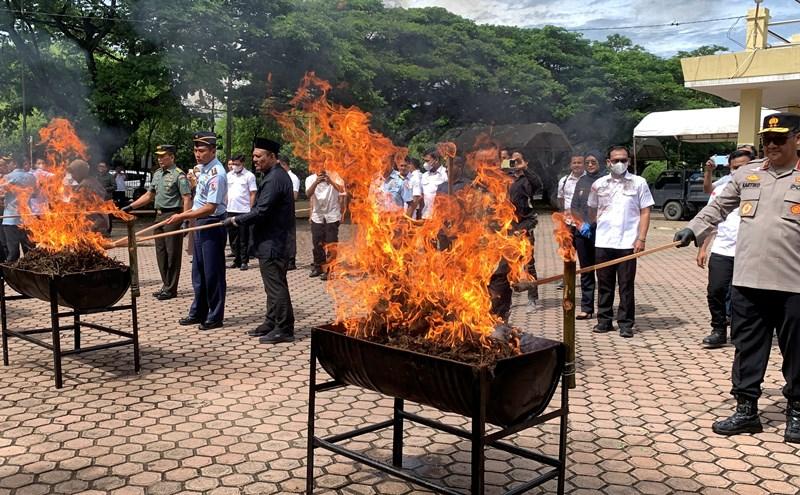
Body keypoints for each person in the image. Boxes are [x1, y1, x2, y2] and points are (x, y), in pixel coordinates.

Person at [674, 112, 800, 443]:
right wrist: (693, 229)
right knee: (746, 348)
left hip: (794, 285)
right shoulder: (746, 174)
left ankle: (797, 413)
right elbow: (718, 207)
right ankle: (746, 411)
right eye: (766, 140)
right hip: (747, 281)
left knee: (798, 351)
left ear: (797, 140)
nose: (771, 145)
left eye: (779, 139)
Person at [225, 138, 295, 344]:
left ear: (272, 157)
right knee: (271, 285)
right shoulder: (272, 175)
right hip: (270, 241)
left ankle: (284, 328)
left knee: (276, 285)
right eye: (254, 156)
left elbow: (261, 210)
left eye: (258, 156)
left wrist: (236, 220)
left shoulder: (275, 179)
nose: (254, 160)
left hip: (275, 242)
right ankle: (271, 321)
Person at [587, 146, 654, 338]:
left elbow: (645, 211)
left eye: (623, 160)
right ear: (608, 162)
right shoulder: (599, 184)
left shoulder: (639, 183)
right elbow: (592, 209)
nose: (619, 164)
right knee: (604, 284)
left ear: (629, 162)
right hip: (604, 241)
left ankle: (626, 323)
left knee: (626, 285)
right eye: (615, 160)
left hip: (627, 243)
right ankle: (604, 321)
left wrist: (641, 238)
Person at [167, 132, 228, 331]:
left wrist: (182, 216)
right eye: (195, 150)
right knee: (199, 272)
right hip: (200, 223)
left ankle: (215, 315)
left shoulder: (217, 173)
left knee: (213, 273)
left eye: (201, 150)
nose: (197, 154)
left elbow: (211, 206)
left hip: (211, 223)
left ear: (213, 150)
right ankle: (198, 311)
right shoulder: (203, 169)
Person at [695, 149, 752, 348]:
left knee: (742, 295)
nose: (740, 171)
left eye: (744, 167)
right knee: (716, 290)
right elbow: (712, 219)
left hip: (749, 252)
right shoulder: (721, 190)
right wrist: (703, 248)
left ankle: (740, 332)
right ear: (730, 168)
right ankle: (718, 329)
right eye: (736, 168)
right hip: (722, 249)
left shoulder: (759, 189)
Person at [123, 145, 192, 300]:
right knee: (161, 254)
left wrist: (185, 220)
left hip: (173, 216)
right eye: (159, 156)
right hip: (158, 216)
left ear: (172, 157)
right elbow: (149, 195)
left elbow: (187, 198)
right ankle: (165, 285)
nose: (160, 159)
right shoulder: (157, 174)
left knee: (172, 254)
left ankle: (171, 288)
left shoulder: (178, 175)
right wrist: (131, 206)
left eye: (164, 156)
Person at [569, 150, 605, 319]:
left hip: (602, 233)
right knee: (586, 271)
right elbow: (574, 206)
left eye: (593, 162)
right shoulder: (582, 181)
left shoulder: (606, 180)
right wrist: (579, 223)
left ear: (601, 163)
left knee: (604, 272)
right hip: (582, 233)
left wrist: (593, 224)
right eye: (588, 162)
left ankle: (604, 309)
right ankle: (587, 307)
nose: (590, 165)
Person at [507, 151, 543, 311]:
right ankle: (506, 299)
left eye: (517, 161)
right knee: (506, 265)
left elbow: (537, 185)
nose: (514, 163)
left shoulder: (526, 180)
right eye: (512, 161)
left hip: (523, 226)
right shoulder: (502, 179)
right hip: (505, 228)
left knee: (528, 263)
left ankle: (532, 298)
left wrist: (525, 168)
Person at [305, 168, 345, 280]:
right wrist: (316, 182)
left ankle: (330, 270)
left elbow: (342, 190)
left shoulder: (335, 175)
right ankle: (318, 267)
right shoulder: (310, 179)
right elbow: (308, 194)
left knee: (331, 243)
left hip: (332, 215)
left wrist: (331, 181)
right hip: (317, 215)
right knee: (317, 243)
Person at [0, 157, 36, 261]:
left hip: (11, 220)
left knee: (13, 253)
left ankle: (13, 275)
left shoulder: (8, 177)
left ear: (14, 163)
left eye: (9, 163)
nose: (7, 166)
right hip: (27, 219)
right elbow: (35, 194)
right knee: (30, 252)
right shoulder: (32, 177)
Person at [225, 154, 257, 271]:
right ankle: (236, 259)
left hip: (243, 210)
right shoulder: (228, 176)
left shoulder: (249, 176)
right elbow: (226, 192)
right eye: (233, 164)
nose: (235, 166)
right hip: (230, 209)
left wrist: (251, 208)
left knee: (243, 237)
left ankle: (244, 261)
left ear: (242, 163)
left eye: (237, 164)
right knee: (233, 237)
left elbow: (253, 193)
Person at [67, 159, 110, 233]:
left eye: (73, 173)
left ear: (80, 172)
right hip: (100, 222)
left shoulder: (84, 185)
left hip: (93, 225)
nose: (72, 176)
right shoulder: (92, 181)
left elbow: (74, 204)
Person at [280, 159, 300, 270]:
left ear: (284, 164)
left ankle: (291, 261)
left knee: (290, 237)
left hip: (288, 211)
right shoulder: (280, 177)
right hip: (280, 213)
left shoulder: (293, 178)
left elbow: (295, 196)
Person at [420, 149, 448, 219]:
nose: (425, 164)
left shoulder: (445, 174)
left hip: (440, 217)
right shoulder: (424, 176)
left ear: (436, 160)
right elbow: (422, 197)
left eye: (427, 161)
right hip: (426, 216)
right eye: (424, 161)